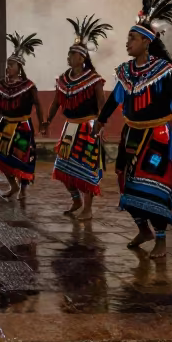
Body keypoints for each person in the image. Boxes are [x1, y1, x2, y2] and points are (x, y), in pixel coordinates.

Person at [95, 0, 172, 259]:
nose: (127, 43)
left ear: (146, 42)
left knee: (153, 186)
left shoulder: (165, 71)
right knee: (126, 182)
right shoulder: (125, 71)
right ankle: (143, 229)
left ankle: (160, 238)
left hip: (158, 136)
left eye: (132, 39)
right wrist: (101, 121)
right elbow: (115, 99)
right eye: (128, 38)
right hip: (131, 134)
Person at [43, 16, 112, 219]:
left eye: (72, 54)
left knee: (86, 168)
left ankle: (88, 209)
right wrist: (47, 120)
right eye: (68, 54)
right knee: (62, 167)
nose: (69, 57)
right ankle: (76, 201)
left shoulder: (94, 79)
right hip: (69, 128)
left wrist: (101, 124)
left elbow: (102, 104)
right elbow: (56, 102)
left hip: (88, 127)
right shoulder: (63, 80)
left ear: (82, 58)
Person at [0, 32, 43, 200]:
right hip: (5, 126)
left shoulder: (28, 86)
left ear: (19, 68)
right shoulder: (0, 85)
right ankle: (12, 185)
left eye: (11, 65)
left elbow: (38, 104)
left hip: (22, 127)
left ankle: (23, 189)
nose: (8, 68)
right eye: (7, 65)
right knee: (1, 155)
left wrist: (43, 122)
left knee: (23, 158)